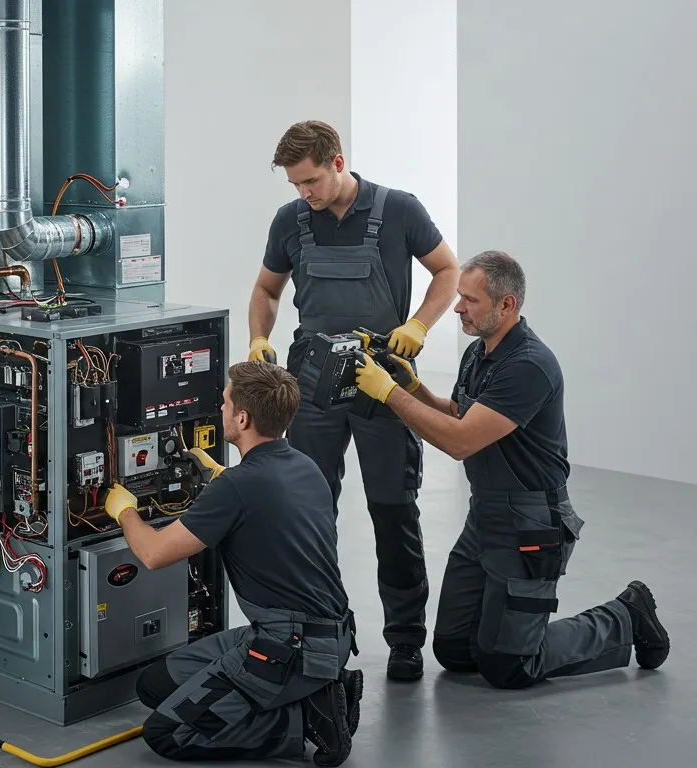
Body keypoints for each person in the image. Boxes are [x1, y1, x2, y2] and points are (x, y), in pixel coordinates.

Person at [352, 250, 670, 689]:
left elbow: (461, 442)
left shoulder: (529, 366)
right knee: (455, 651)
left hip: (531, 524)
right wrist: (413, 387)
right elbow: (462, 417)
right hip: (484, 516)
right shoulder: (479, 353)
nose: (458, 307)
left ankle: (627, 616)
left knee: (511, 666)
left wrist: (388, 394)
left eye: (470, 300)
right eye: (459, 296)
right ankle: (508, 629)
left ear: (507, 305)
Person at [247, 119, 461, 682]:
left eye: (311, 180)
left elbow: (448, 270)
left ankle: (405, 640)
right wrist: (259, 336)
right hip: (314, 386)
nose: (305, 193)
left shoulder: (399, 211)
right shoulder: (290, 221)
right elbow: (267, 290)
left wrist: (419, 325)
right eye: (296, 185)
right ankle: (319, 631)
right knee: (309, 511)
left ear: (338, 162)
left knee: (393, 509)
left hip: (382, 382)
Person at [102, 361, 364, 767]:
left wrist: (124, 512)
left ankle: (309, 718)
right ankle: (315, 688)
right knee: (155, 687)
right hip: (328, 635)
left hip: (288, 646)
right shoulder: (305, 466)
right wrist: (218, 472)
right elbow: (266, 502)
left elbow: (153, 554)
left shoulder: (236, 488)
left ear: (242, 418)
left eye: (224, 403)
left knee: (167, 733)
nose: (219, 408)